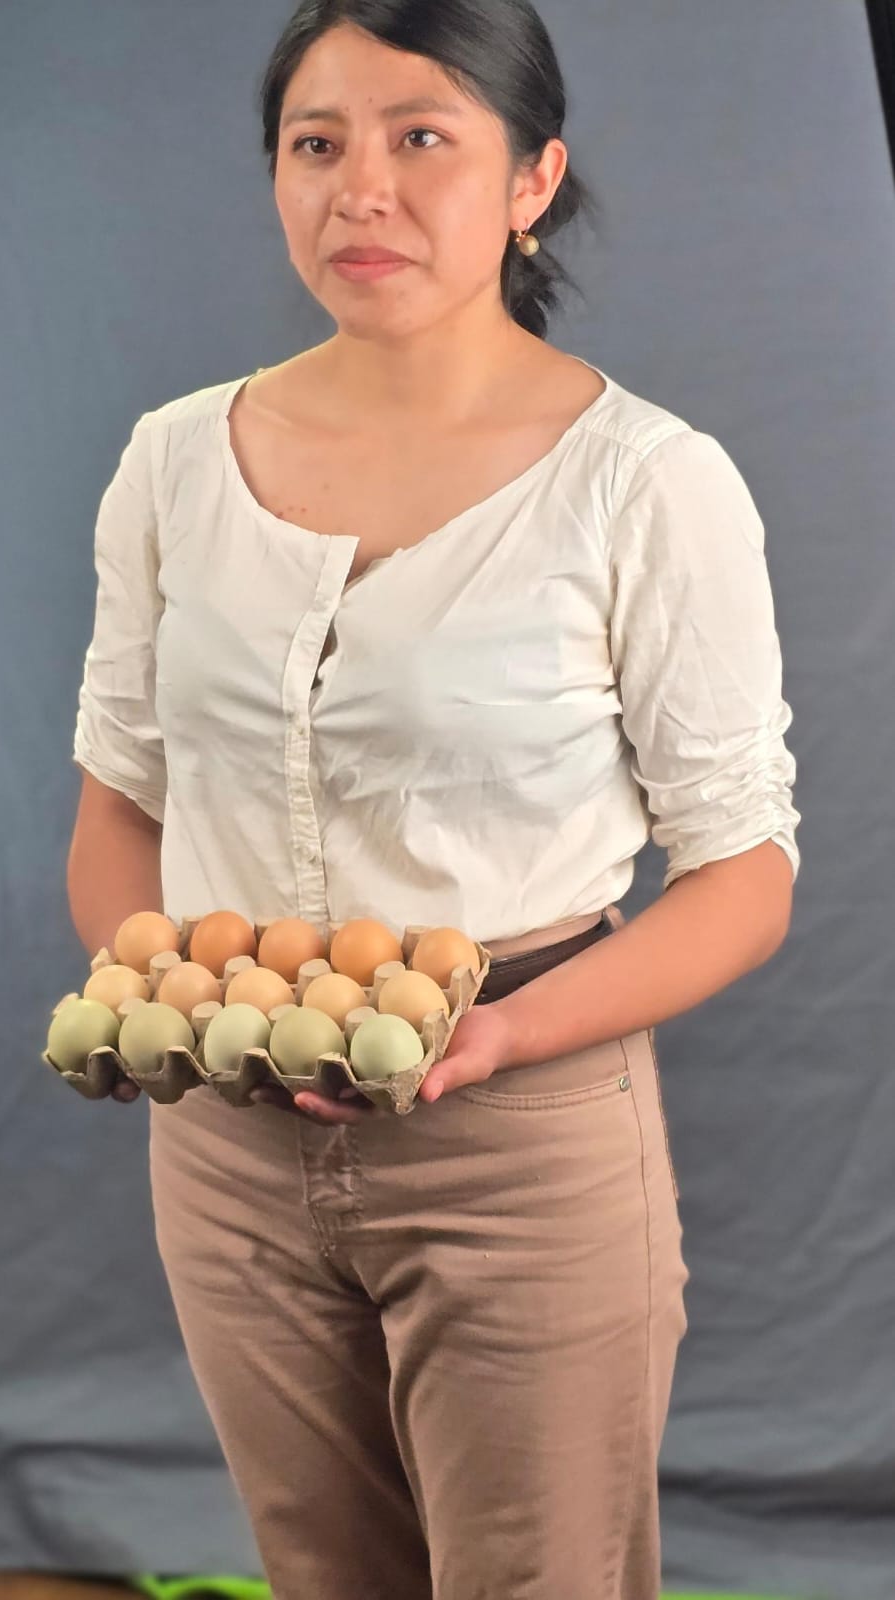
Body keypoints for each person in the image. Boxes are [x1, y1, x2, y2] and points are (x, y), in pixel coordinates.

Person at [66, 2, 801, 1596]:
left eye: (422, 139)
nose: (362, 189)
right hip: (226, 1132)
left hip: (519, 1131)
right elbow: (118, 803)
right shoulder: (175, 462)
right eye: (315, 143)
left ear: (534, 180)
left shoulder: (645, 482)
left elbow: (745, 874)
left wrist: (501, 1038)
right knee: (323, 1572)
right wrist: (167, 1004)